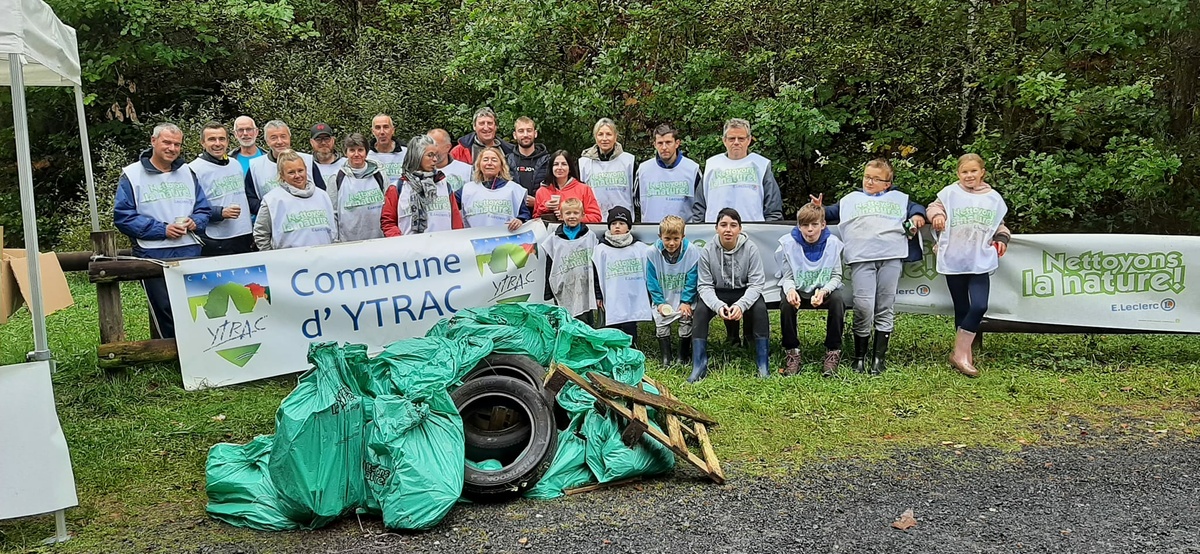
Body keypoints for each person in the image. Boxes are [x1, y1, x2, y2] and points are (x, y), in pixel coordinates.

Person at [820, 158, 927, 375]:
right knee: (863, 306)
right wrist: (817, 207)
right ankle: (859, 357)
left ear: (888, 183)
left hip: (891, 256)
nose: (869, 182)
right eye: (866, 177)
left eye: (876, 179)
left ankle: (879, 358)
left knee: (885, 305)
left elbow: (917, 207)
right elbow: (828, 212)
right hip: (861, 258)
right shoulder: (851, 199)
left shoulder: (898, 198)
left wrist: (917, 215)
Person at [113, 123, 212, 339]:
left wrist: (196, 221)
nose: (172, 148)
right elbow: (123, 217)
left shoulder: (188, 172)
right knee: (165, 308)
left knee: (195, 305)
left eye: (177, 144)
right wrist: (162, 230)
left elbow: (204, 208)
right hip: (153, 252)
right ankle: (170, 354)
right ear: (153, 141)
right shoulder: (132, 175)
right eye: (167, 142)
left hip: (190, 248)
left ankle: (199, 349)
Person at [926, 153, 1010, 378]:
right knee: (961, 306)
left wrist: (1002, 239)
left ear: (982, 172)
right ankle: (963, 355)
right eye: (964, 172)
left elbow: (999, 226)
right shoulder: (950, 193)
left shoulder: (993, 198)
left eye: (973, 171)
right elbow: (933, 208)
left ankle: (959, 353)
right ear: (958, 174)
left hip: (979, 258)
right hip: (955, 257)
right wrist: (937, 216)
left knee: (980, 305)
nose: (969, 175)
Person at [689, 208, 769, 383]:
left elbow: (756, 283)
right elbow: (704, 285)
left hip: (743, 291)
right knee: (701, 311)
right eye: (723, 225)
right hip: (717, 292)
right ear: (716, 228)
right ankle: (699, 364)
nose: (728, 230)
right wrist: (718, 305)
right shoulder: (707, 250)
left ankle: (763, 363)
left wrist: (741, 305)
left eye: (733, 225)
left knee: (760, 309)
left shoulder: (751, 249)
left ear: (740, 229)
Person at [775, 203, 846, 377]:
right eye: (805, 225)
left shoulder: (833, 244)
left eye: (814, 225)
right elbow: (787, 276)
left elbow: (836, 276)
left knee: (838, 300)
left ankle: (832, 351)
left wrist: (824, 291)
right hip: (798, 290)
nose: (810, 230)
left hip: (822, 292)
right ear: (799, 226)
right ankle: (792, 351)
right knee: (786, 302)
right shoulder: (787, 244)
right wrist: (790, 290)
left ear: (823, 225)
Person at [690, 118, 783, 223]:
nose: (736, 142)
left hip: (754, 233)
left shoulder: (761, 165)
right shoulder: (711, 166)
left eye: (741, 138)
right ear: (724, 140)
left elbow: (773, 208)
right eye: (731, 138)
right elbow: (699, 207)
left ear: (749, 140)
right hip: (714, 232)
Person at [189, 122, 252, 256]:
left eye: (222, 139)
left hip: (244, 234)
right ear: (202, 142)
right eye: (212, 139)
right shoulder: (194, 169)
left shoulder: (235, 164)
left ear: (228, 141)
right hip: (216, 239)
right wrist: (220, 212)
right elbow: (190, 207)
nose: (217, 143)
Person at [382, 134, 464, 236]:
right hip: (411, 249)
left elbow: (456, 220)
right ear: (417, 156)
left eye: (436, 155)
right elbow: (388, 222)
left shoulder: (444, 185)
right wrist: (399, 243)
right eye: (430, 155)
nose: (435, 159)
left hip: (443, 248)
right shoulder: (397, 187)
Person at [253, 149, 336, 250]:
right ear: (282, 175)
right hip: (290, 263)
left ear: (306, 170)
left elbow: (333, 231)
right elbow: (260, 233)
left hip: (323, 258)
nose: (297, 175)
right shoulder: (272, 200)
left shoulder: (323, 195)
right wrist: (272, 258)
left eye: (300, 170)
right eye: (291, 172)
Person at [593, 206, 654, 343]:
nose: (617, 227)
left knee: (629, 325)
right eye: (613, 224)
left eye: (621, 223)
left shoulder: (639, 248)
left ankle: (632, 350)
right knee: (612, 326)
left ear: (629, 227)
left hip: (631, 296)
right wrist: (598, 295)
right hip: (612, 295)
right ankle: (615, 350)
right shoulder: (601, 249)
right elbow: (596, 274)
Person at [646, 215, 701, 366]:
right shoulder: (652, 252)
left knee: (686, 320)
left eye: (676, 239)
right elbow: (651, 280)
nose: (671, 243)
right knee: (662, 324)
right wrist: (659, 302)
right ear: (660, 237)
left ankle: (682, 356)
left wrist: (686, 301)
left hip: (683, 296)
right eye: (667, 238)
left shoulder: (691, 251)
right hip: (663, 295)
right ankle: (666, 358)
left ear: (683, 236)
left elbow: (692, 278)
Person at [542, 197, 600, 324]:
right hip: (563, 286)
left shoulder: (590, 237)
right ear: (561, 215)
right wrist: (548, 292)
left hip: (584, 286)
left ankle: (585, 343)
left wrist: (597, 291)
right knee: (564, 320)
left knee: (584, 322)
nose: (572, 216)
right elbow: (549, 265)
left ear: (582, 215)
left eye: (575, 213)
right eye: (568, 213)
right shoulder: (554, 239)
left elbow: (596, 265)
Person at [244, 120, 314, 217]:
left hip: (306, 218)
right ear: (267, 141)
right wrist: (271, 210)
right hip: (272, 221)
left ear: (290, 138)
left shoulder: (308, 160)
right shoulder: (255, 166)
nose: (280, 141)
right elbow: (249, 198)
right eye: (274, 138)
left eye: (283, 136)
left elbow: (320, 191)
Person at [636, 124, 700, 222]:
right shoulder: (643, 169)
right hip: (650, 232)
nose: (664, 147)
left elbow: (700, 204)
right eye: (660, 143)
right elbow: (636, 202)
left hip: (684, 233)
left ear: (677, 143)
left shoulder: (692, 169)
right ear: (654, 144)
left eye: (668, 142)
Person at [331, 133, 387, 242]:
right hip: (349, 244)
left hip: (380, 241)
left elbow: (390, 207)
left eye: (360, 150)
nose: (356, 154)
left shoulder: (380, 175)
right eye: (352, 150)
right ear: (345, 153)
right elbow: (333, 214)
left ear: (366, 152)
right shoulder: (336, 178)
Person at [457, 146, 529, 231]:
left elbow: (525, 215)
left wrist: (520, 220)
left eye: (494, 160)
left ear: (501, 166)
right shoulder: (467, 189)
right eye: (485, 160)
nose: (489, 163)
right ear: (479, 165)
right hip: (474, 239)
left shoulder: (514, 189)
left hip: (505, 239)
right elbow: (450, 204)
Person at [579, 118, 636, 217]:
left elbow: (637, 196)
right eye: (600, 134)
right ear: (595, 137)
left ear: (615, 136)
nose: (604, 138)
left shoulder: (629, 161)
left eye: (609, 134)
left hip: (622, 221)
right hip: (594, 220)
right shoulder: (583, 162)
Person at [532, 150, 602, 223]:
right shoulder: (541, 191)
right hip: (550, 233)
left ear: (570, 168)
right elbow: (535, 220)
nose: (559, 167)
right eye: (556, 164)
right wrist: (545, 207)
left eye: (564, 164)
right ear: (551, 168)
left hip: (577, 233)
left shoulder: (584, 189)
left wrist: (572, 217)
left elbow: (596, 217)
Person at [507, 116, 549, 206]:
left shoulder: (548, 161)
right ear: (515, 135)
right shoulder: (506, 161)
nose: (525, 134)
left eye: (529, 130)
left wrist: (538, 203)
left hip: (540, 216)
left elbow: (557, 191)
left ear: (535, 133)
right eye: (521, 131)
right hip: (513, 215)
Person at [369, 114, 407, 185]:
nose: (382, 132)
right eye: (378, 128)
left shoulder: (406, 152)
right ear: (373, 131)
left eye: (386, 127)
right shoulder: (366, 155)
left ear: (392, 130)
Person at [309, 122, 345, 190]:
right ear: (311, 142)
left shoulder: (346, 164)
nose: (323, 143)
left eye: (326, 139)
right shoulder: (308, 166)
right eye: (318, 139)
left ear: (333, 140)